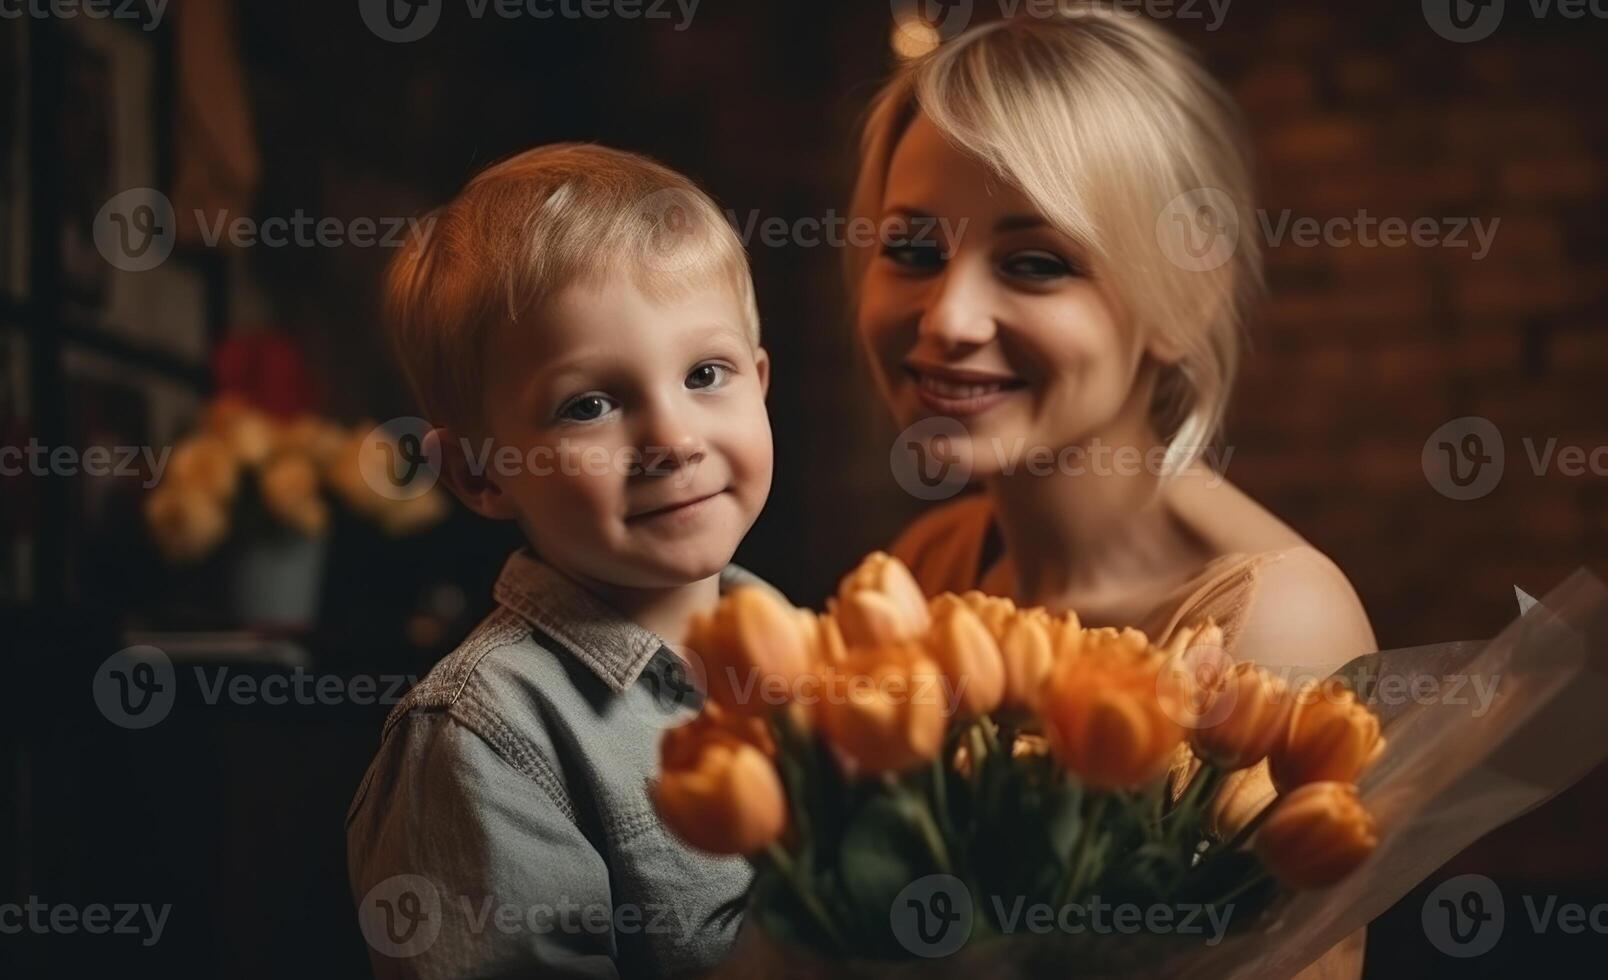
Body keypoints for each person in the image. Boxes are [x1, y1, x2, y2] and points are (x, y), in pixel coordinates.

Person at [849, 5, 1375, 975]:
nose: (949, 315)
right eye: (912, 250)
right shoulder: (922, 571)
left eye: (1036, 261)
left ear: (1184, 299)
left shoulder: (1277, 621)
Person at [346, 143, 779, 979]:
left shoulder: (822, 655)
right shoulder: (482, 739)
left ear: (759, 384)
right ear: (478, 471)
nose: (674, 440)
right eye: (589, 405)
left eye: (704, 373)